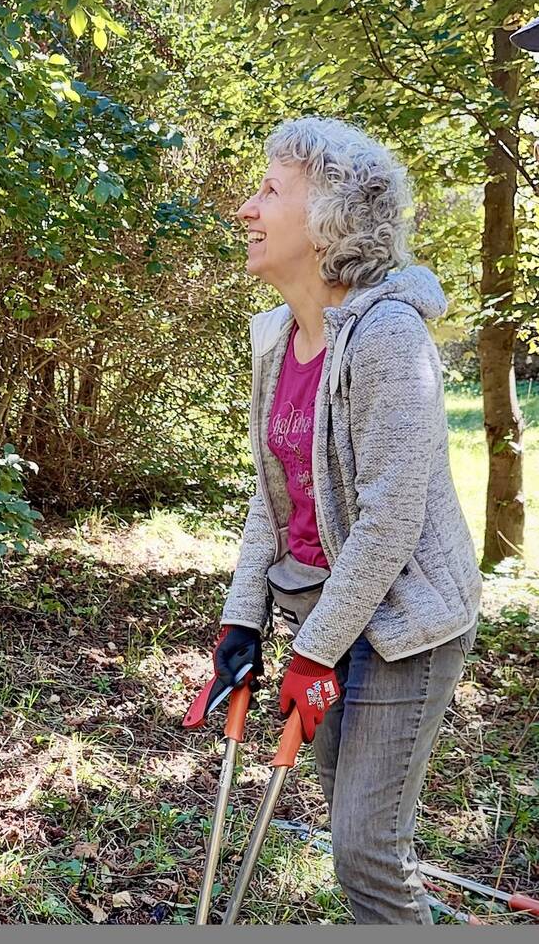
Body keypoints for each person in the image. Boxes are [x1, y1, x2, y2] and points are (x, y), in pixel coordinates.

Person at [196, 117, 481, 923]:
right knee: (351, 837)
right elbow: (273, 494)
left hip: (405, 622)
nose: (245, 209)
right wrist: (240, 619)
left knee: (364, 849)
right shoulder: (280, 337)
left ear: (328, 219)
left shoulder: (388, 335)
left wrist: (310, 654)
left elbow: (389, 520)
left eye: (267, 191)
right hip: (325, 608)